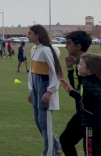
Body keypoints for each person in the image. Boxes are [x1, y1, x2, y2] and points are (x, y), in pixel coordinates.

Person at [59, 31, 101, 156]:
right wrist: (71, 89)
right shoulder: (83, 68)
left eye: (69, 43)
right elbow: (81, 91)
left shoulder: (88, 68)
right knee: (69, 140)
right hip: (86, 115)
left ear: (78, 46)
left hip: (92, 118)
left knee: (95, 148)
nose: (66, 46)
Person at [27, 25, 63, 156]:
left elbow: (55, 72)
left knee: (44, 123)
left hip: (44, 89)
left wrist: (50, 91)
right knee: (38, 122)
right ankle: (57, 147)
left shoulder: (46, 50)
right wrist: (31, 90)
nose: (28, 35)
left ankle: (50, 152)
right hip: (36, 90)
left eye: (30, 33)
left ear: (37, 35)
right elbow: (32, 72)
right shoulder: (35, 50)